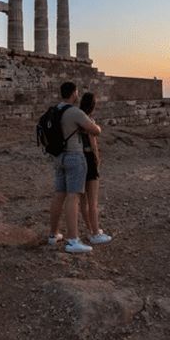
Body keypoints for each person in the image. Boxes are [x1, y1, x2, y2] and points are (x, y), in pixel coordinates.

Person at [47, 82, 102, 254]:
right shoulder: (74, 112)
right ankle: (73, 240)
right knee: (73, 197)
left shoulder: (55, 110)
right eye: (77, 92)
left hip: (58, 157)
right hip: (74, 156)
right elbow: (95, 130)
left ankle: (53, 234)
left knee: (59, 195)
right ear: (73, 94)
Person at [77, 92, 112, 245]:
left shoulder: (76, 120)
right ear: (93, 106)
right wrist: (97, 159)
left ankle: (90, 229)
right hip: (89, 159)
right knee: (93, 201)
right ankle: (96, 234)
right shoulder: (89, 121)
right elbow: (93, 142)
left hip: (78, 158)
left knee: (83, 200)